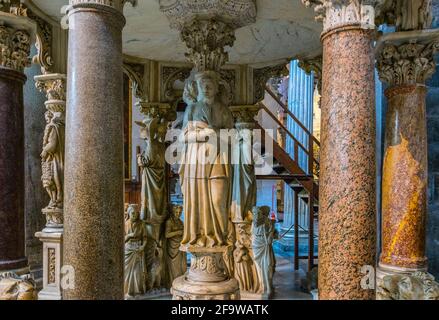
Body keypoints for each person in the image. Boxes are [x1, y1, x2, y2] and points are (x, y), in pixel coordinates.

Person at [179, 70, 234, 248]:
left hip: (218, 158)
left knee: (218, 200)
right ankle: (199, 235)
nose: (207, 88)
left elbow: (232, 136)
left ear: (217, 88)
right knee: (196, 200)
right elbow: (183, 137)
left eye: (210, 85)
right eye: (203, 85)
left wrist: (215, 133)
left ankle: (218, 236)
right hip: (197, 161)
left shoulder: (223, 110)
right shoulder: (192, 109)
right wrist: (204, 133)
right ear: (198, 89)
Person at [124, 204, 147, 297]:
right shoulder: (125, 224)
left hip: (138, 248)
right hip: (128, 249)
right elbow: (121, 239)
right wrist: (129, 236)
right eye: (133, 213)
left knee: (137, 272)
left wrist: (143, 247)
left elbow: (145, 238)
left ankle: (137, 291)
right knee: (127, 271)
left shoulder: (142, 223)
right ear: (129, 214)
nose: (135, 215)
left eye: (136, 213)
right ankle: (127, 291)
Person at [164, 205, 187, 287]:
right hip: (172, 247)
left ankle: (180, 283)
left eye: (180, 213)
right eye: (176, 212)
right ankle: (173, 283)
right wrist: (178, 232)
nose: (178, 214)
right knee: (174, 267)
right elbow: (166, 235)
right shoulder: (169, 222)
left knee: (182, 265)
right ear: (173, 212)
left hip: (180, 246)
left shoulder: (181, 222)